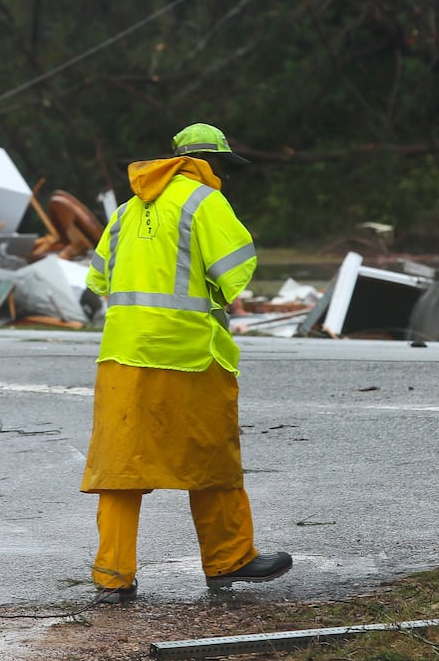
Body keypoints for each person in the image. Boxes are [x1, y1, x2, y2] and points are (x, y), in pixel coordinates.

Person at [81, 122, 293, 603]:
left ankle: (113, 575)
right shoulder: (204, 201)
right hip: (189, 356)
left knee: (121, 468)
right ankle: (229, 558)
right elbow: (236, 269)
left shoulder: (125, 211)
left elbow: (98, 280)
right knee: (212, 457)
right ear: (208, 164)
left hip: (122, 357)